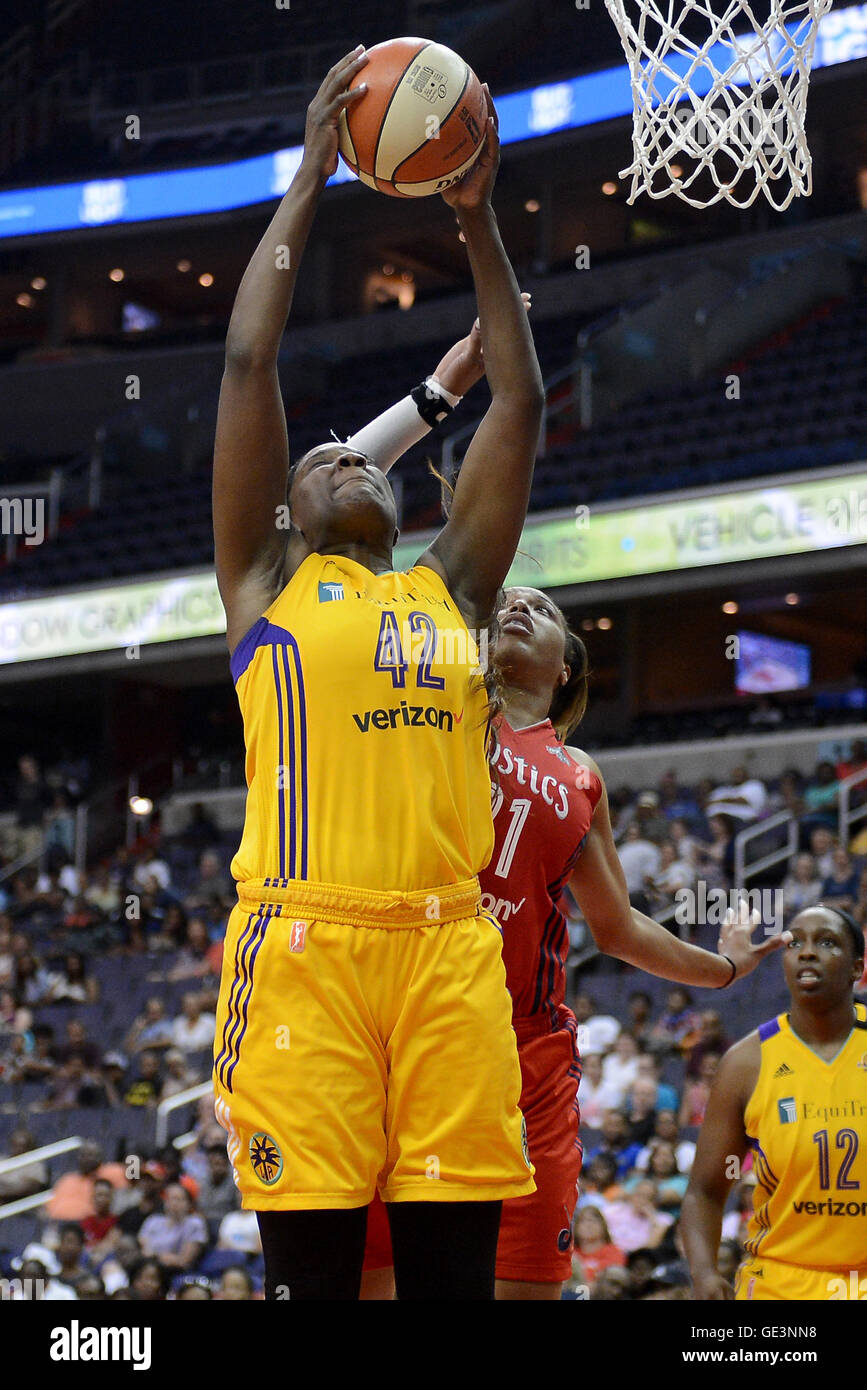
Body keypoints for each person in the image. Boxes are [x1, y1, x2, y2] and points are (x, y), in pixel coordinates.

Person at [211, 49, 545, 1302]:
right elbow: (250, 366)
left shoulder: (451, 588)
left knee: (454, 1285)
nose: (347, 462)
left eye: (363, 460)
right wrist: (308, 175)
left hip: (451, 954)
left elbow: (516, 395)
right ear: (286, 513)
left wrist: (476, 217)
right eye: (323, 463)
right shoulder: (266, 587)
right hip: (305, 945)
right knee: (318, 1281)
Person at [681, 904, 867, 1300]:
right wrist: (704, 1274)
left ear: (857, 968)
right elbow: (705, 1190)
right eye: (795, 942)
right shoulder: (745, 1063)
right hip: (780, 1282)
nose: (808, 952)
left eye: (827, 942)